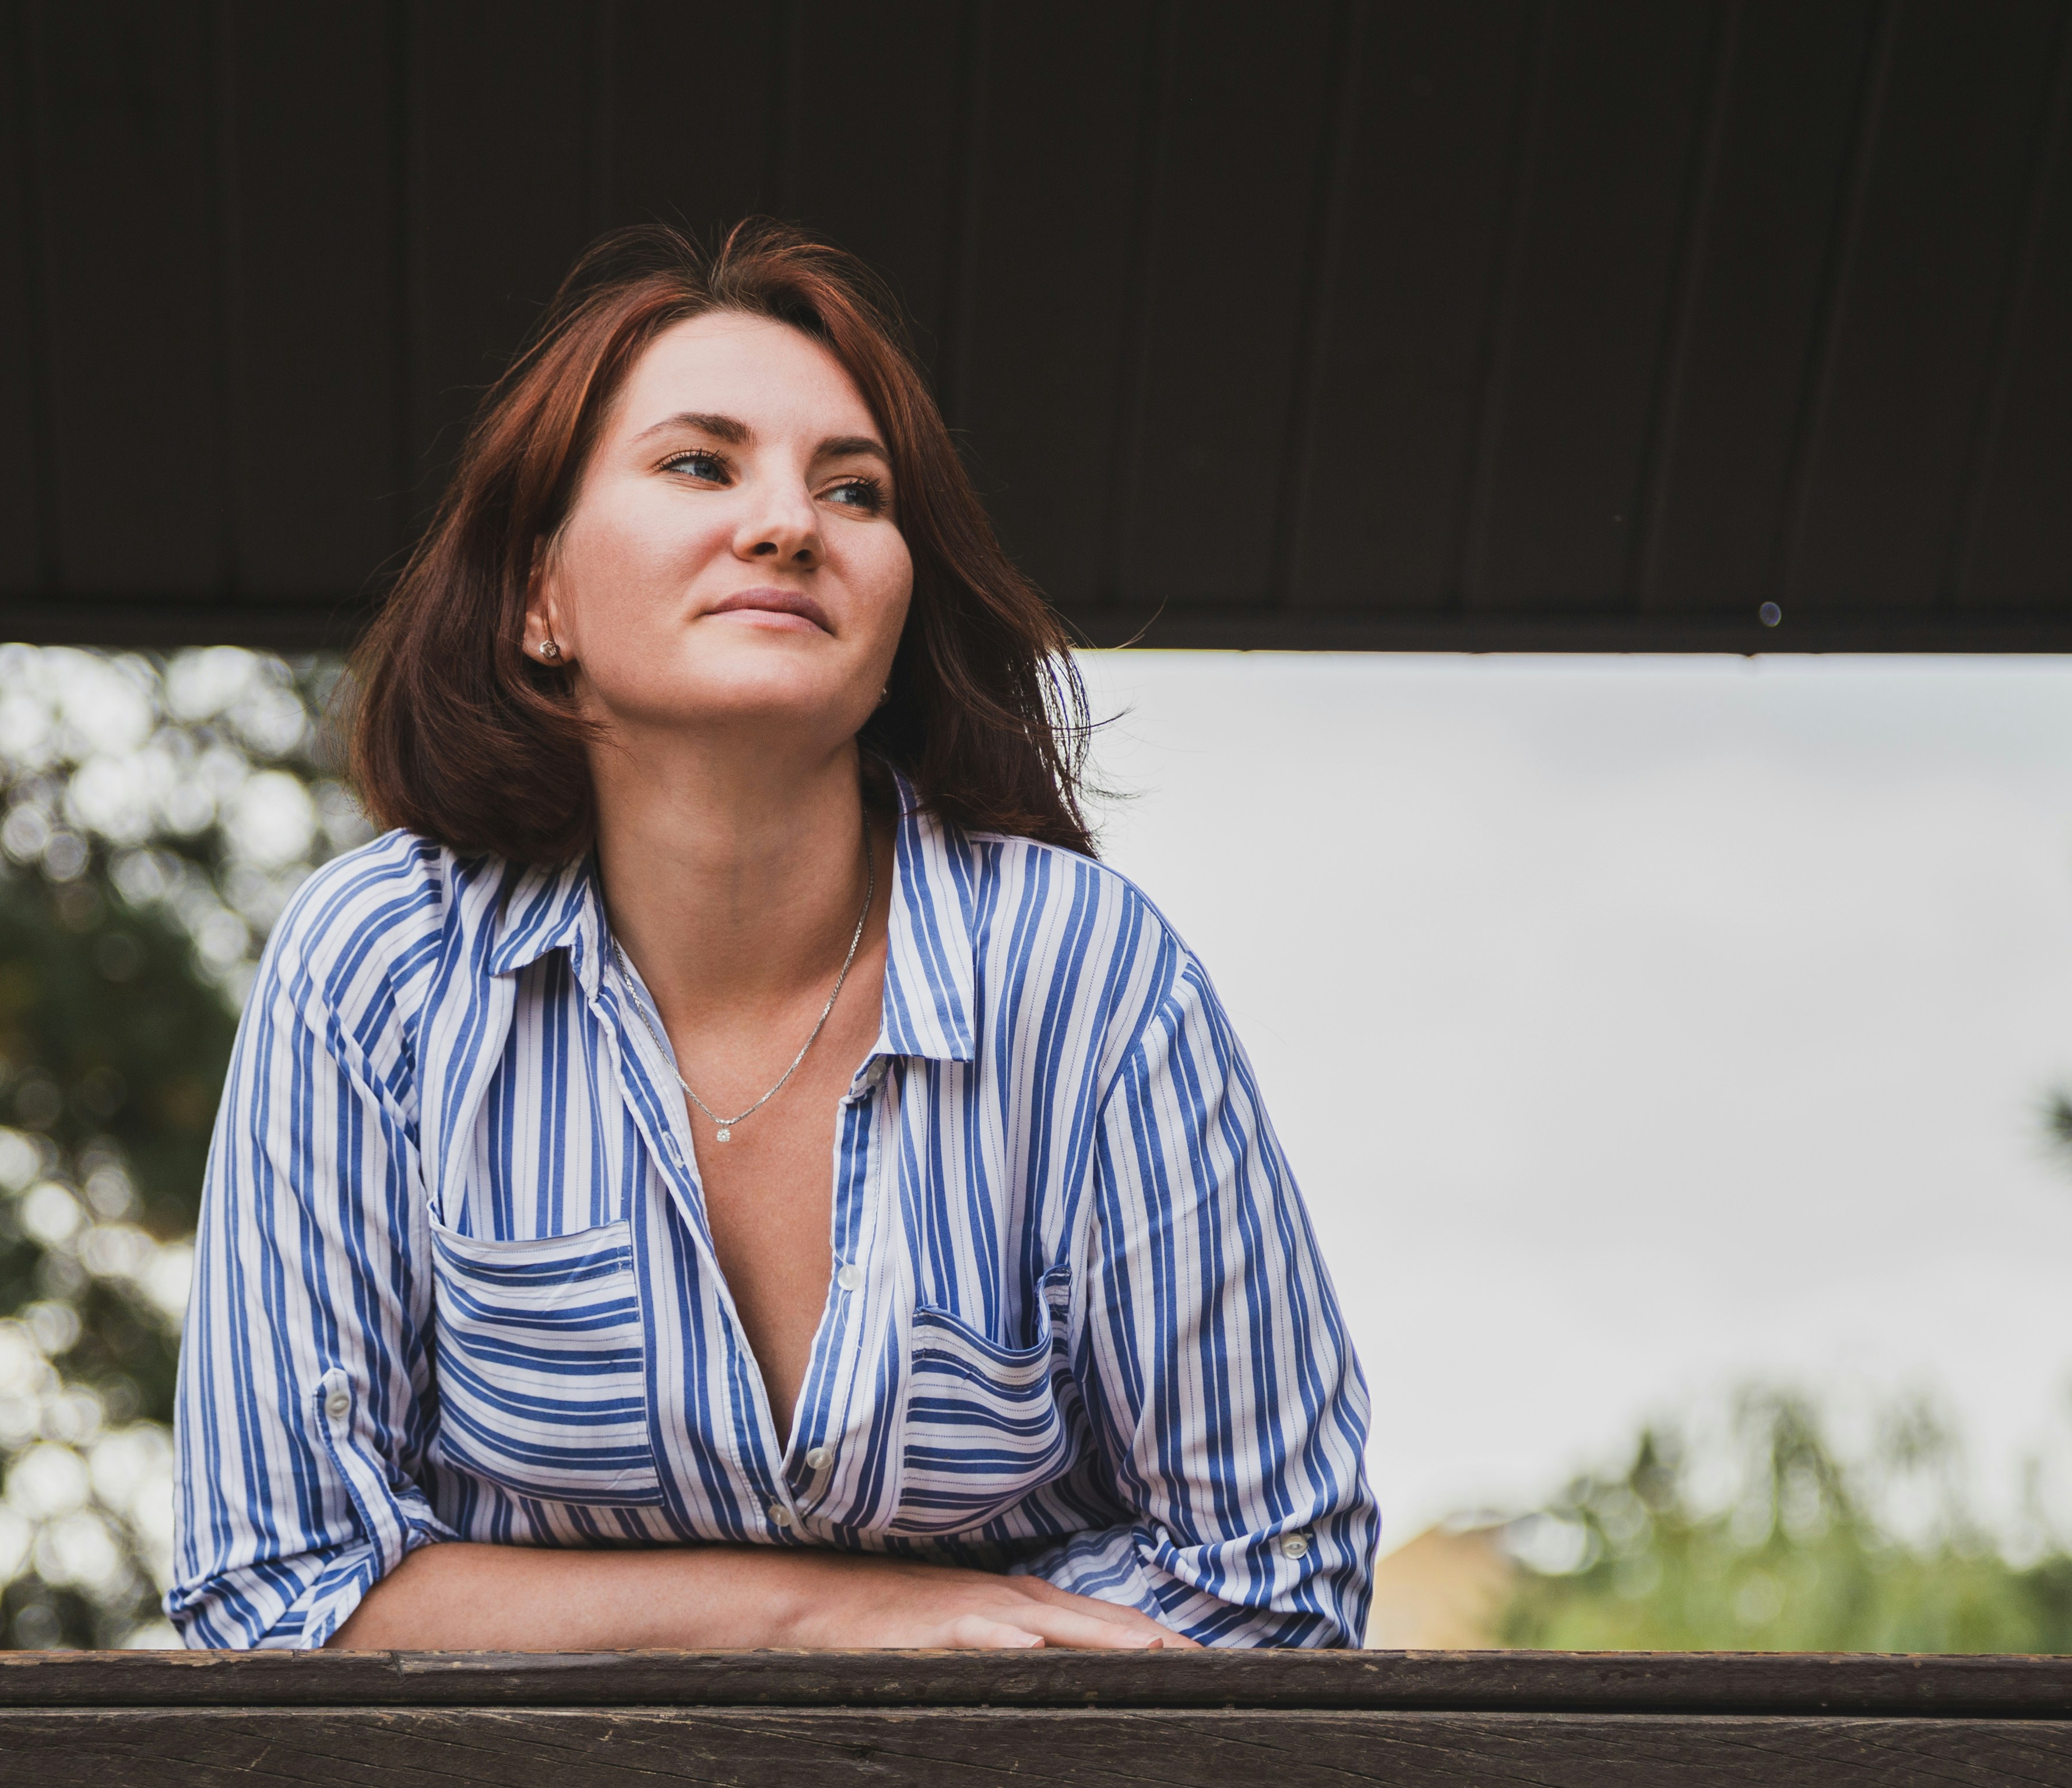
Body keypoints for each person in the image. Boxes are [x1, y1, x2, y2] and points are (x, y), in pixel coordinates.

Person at [168, 221, 1373, 1652]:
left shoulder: (1086, 975)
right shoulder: (377, 969)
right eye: (699, 463)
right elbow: (275, 1587)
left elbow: (1277, 1575)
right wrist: (823, 1618)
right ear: (540, 594)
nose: (787, 522)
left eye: (852, 490)